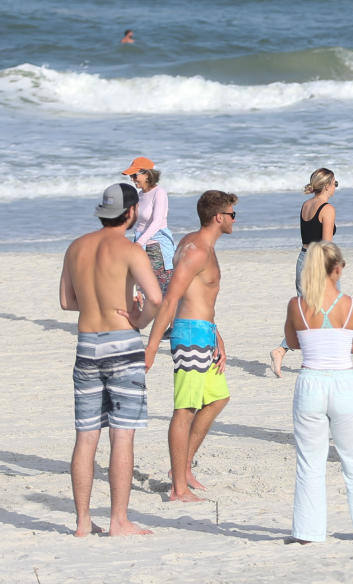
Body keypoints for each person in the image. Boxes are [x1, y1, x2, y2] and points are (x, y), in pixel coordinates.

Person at [59, 183, 162, 536]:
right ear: (131, 212)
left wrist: (94, 304)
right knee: (122, 436)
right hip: (122, 344)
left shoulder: (76, 247)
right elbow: (156, 298)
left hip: (87, 344)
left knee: (85, 437)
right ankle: (119, 520)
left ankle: (83, 523)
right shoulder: (131, 249)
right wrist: (137, 319)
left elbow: (66, 301)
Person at [284, 241, 353, 543]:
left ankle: (307, 532)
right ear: (336, 269)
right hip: (343, 381)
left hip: (310, 381)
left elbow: (292, 342)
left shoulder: (297, 305)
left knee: (310, 461)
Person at [145, 190, 238, 502]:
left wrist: (217, 335)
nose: (234, 219)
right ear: (218, 218)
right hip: (189, 336)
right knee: (184, 410)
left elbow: (199, 298)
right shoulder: (196, 249)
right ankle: (178, 490)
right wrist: (151, 347)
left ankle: (181, 469)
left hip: (205, 332)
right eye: (232, 214)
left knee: (217, 399)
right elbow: (172, 298)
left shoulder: (200, 244)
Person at [269, 168, 338, 377]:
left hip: (302, 258)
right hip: (317, 262)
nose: (336, 187)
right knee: (331, 310)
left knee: (308, 312)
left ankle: (282, 349)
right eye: (335, 183)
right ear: (327, 186)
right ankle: (319, 361)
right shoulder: (327, 209)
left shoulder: (306, 205)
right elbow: (326, 244)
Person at [122, 156, 174, 296]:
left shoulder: (159, 193)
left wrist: (139, 243)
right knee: (140, 290)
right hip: (140, 244)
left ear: (146, 174)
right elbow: (137, 222)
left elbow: (157, 222)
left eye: (134, 175)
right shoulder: (140, 194)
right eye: (131, 176)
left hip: (157, 246)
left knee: (159, 292)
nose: (132, 179)